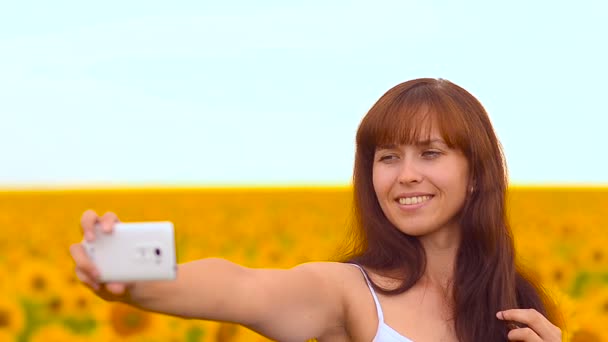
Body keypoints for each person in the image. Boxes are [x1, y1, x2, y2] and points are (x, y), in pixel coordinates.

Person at [70, 78, 562, 341]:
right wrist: (137, 281)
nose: (406, 174)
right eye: (388, 157)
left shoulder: (519, 306)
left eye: (430, 154)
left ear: (476, 173)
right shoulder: (351, 292)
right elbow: (244, 288)